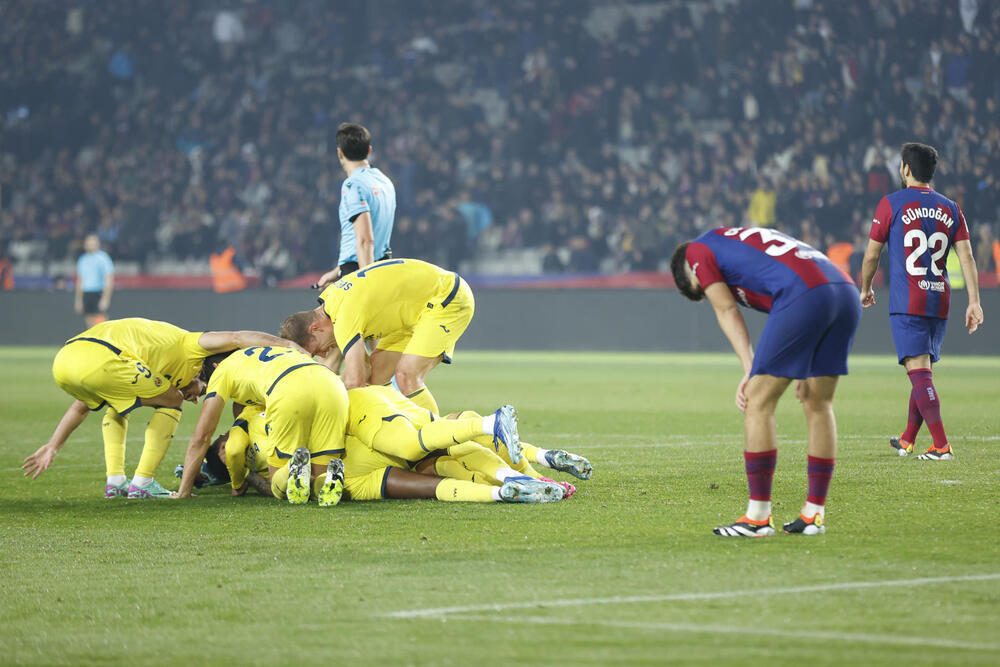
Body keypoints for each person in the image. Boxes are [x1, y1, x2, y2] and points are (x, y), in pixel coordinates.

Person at [671, 226, 861, 537]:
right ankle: (814, 513)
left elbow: (726, 309)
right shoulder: (733, 240)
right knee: (818, 402)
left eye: (701, 290)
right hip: (843, 290)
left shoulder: (696, 252)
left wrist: (750, 369)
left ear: (689, 275)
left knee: (757, 400)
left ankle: (758, 516)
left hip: (805, 294)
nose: (707, 291)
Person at [21, 318, 304, 498]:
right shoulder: (191, 343)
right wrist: (287, 344)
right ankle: (142, 483)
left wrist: (53, 445)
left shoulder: (154, 356)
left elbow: (79, 408)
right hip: (107, 357)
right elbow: (236, 336)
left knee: (119, 404)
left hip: (65, 360)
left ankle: (116, 481)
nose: (200, 391)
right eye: (203, 386)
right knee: (173, 400)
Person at [859, 142, 984, 461]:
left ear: (905, 169)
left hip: (907, 299)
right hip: (939, 298)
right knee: (922, 368)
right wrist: (974, 301)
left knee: (918, 372)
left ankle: (941, 446)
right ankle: (907, 439)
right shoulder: (951, 207)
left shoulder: (891, 204)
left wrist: (866, 287)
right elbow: (967, 255)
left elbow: (872, 253)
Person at [172, 345, 350, 506]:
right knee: (321, 477)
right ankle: (326, 479)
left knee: (277, 482)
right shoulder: (258, 355)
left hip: (288, 388)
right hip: (331, 382)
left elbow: (203, 436)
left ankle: (292, 469)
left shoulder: (222, 371)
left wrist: (184, 491)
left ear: (215, 366)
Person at [294, 258, 474, 413]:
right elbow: (363, 374)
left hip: (446, 296)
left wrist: (319, 403)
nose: (324, 354)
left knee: (407, 375)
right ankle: (401, 432)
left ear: (315, 328)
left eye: (318, 349)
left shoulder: (341, 316)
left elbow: (355, 381)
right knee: (376, 377)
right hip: (417, 308)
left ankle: (436, 445)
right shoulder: (332, 298)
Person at [312, 123, 396, 289]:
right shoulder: (385, 181)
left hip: (362, 272)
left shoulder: (352, 186)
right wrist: (337, 271)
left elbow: (366, 240)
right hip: (383, 267)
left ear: (340, 152)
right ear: (369, 151)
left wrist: (366, 288)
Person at [75, 234, 114, 327]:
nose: (90, 244)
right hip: (87, 292)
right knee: (89, 319)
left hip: (98, 292)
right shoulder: (82, 259)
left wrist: (105, 298)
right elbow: (80, 281)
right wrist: (78, 300)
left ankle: (101, 340)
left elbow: (109, 279)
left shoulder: (103, 258)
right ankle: (91, 339)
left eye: (93, 242)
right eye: (88, 242)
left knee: (101, 320)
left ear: (97, 244)